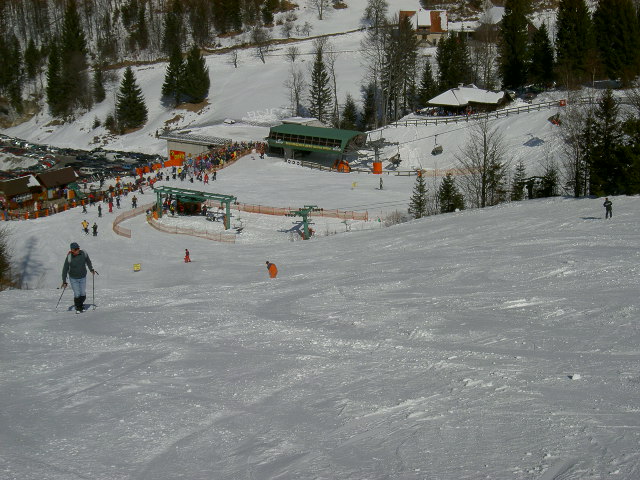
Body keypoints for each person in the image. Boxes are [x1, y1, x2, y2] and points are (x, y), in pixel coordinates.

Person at [61, 242, 95, 312]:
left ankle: (80, 304)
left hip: (82, 277)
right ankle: (79, 307)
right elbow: (65, 269)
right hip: (73, 278)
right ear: (72, 250)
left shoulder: (83, 254)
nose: (78, 250)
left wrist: (91, 269)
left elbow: (88, 261)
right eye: (76, 249)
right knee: (77, 294)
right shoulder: (69, 257)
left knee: (82, 293)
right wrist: (64, 281)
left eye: (78, 248)